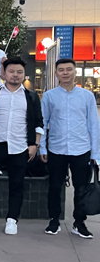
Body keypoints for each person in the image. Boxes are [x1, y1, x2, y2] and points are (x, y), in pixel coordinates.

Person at [0, 57, 43, 235]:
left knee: (16, 184)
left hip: (20, 146)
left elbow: (39, 122)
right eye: (11, 71)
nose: (15, 75)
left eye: (19, 72)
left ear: (24, 74)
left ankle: (12, 219)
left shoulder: (31, 97)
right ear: (4, 73)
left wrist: (35, 145)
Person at [40, 58, 100, 238]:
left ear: (75, 72)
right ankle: (54, 220)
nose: (65, 73)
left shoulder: (87, 96)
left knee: (81, 188)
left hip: (81, 149)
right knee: (54, 187)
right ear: (56, 73)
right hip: (56, 148)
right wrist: (42, 148)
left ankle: (79, 223)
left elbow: (93, 124)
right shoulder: (49, 96)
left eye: (69, 69)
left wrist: (96, 152)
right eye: (61, 70)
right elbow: (43, 123)